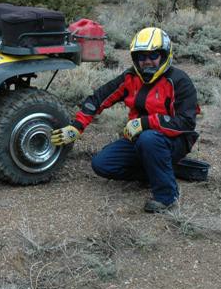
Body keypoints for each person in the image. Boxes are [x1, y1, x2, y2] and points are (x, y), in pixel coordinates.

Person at [51, 27, 199, 213]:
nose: (146, 61)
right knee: (102, 164)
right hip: (140, 139)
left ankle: (166, 197)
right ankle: (158, 170)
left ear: (164, 54)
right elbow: (98, 98)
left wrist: (144, 123)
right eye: (141, 57)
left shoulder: (179, 81)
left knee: (149, 139)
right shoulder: (131, 77)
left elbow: (186, 122)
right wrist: (76, 127)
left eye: (153, 55)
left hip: (174, 140)